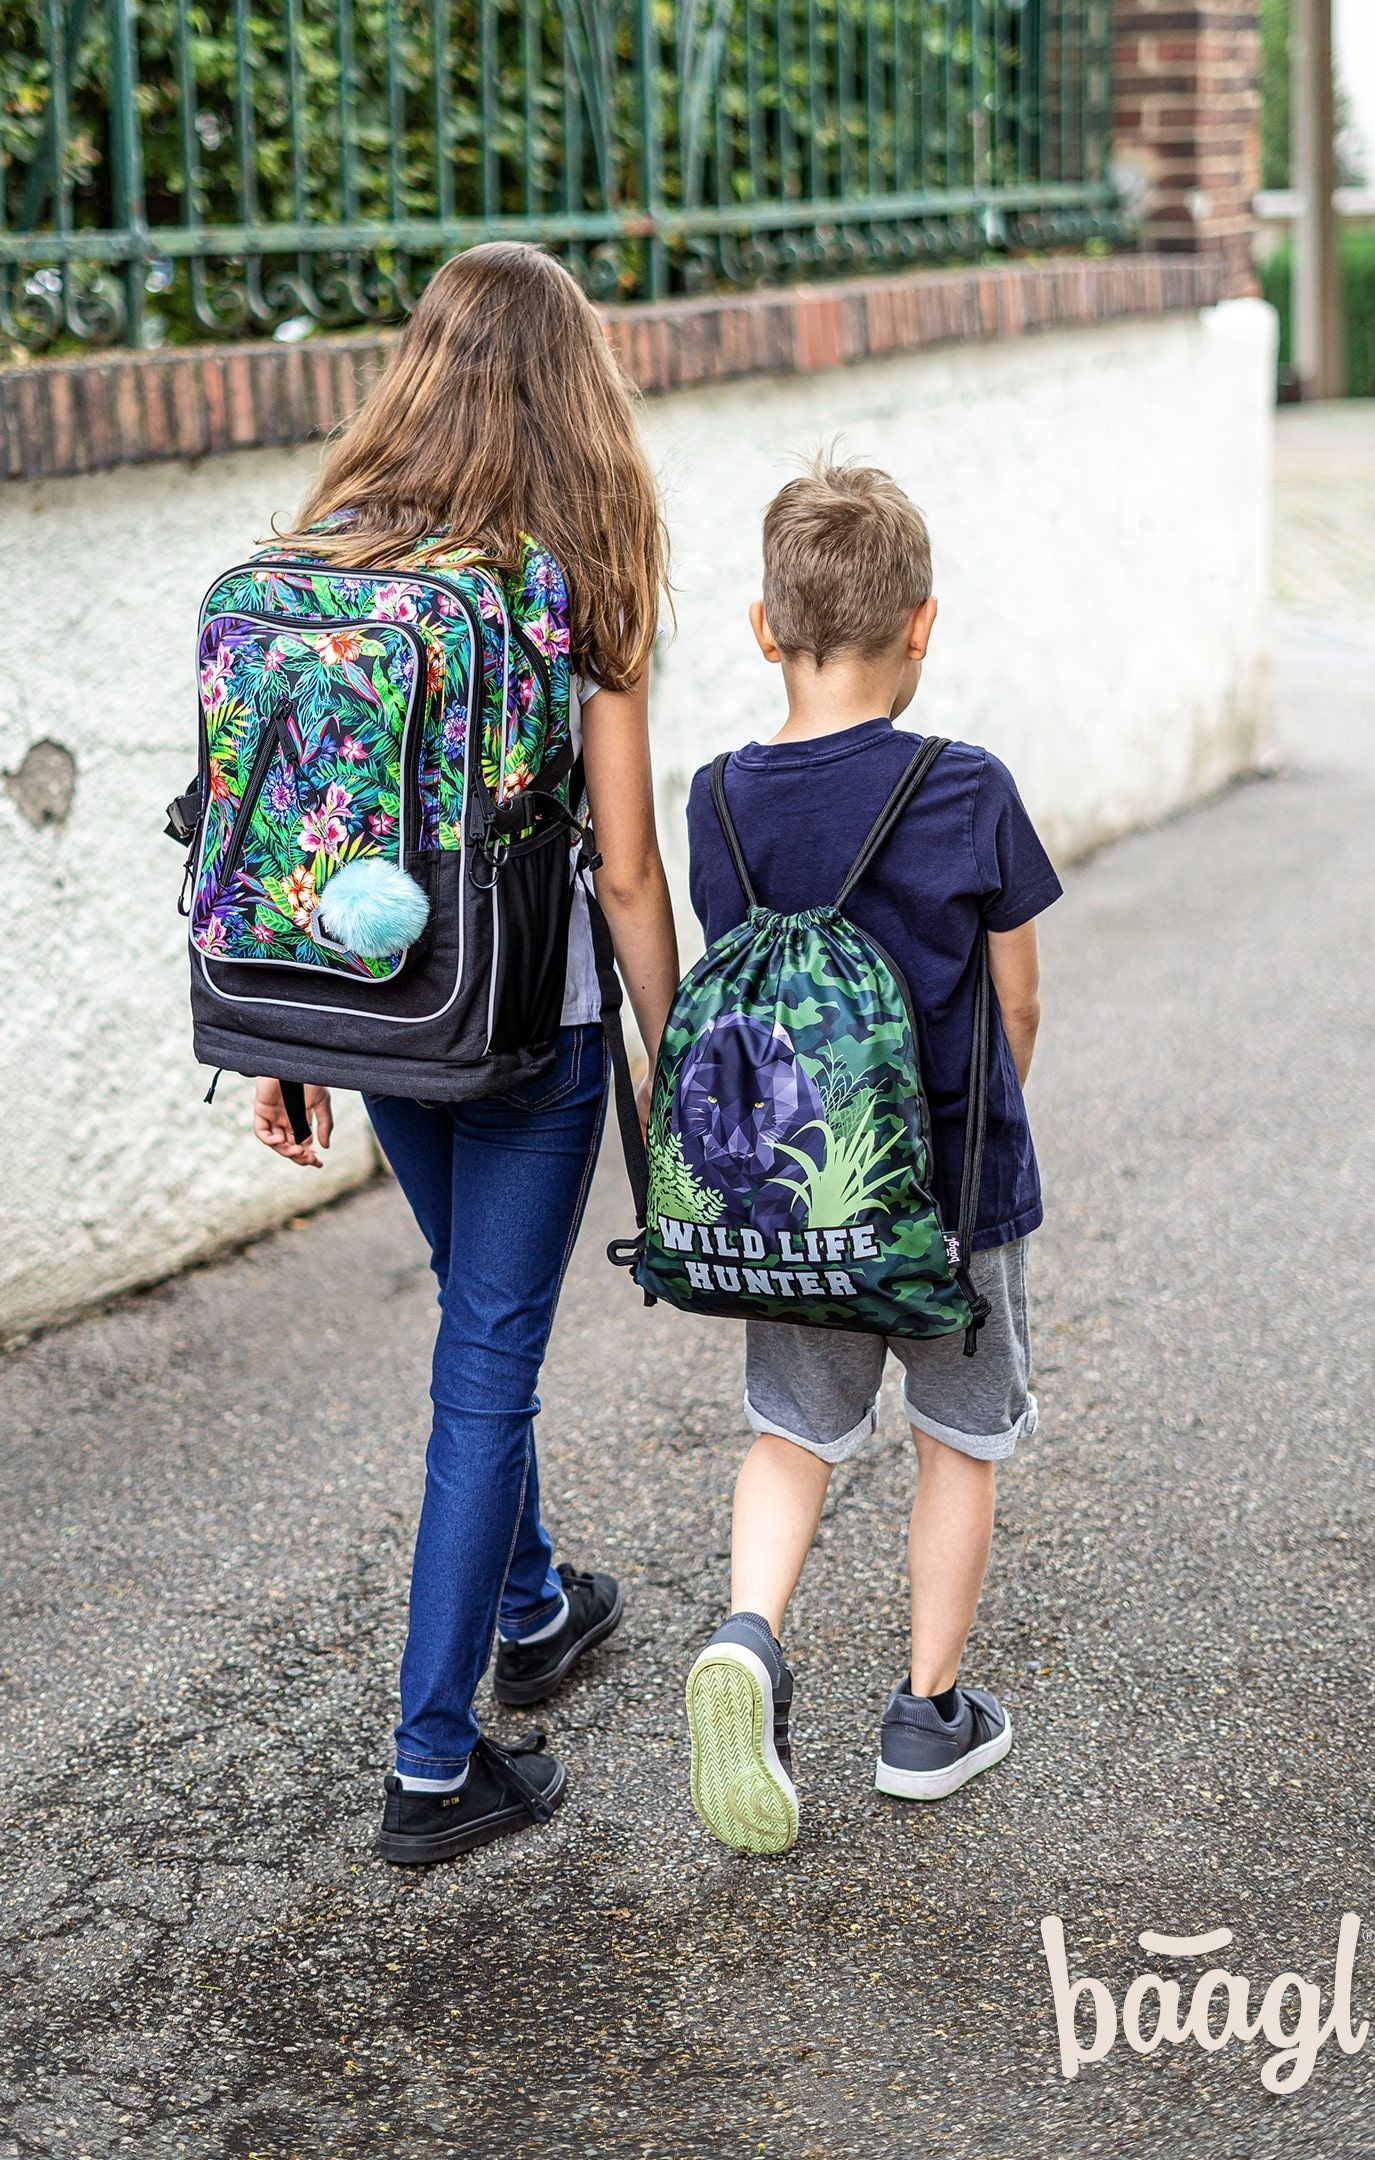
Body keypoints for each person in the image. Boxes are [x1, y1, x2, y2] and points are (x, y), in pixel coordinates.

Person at [250, 244, 679, 1863]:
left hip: (374, 1013)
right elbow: (623, 871)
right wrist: (675, 1051)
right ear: (577, 386)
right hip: (521, 1029)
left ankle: (537, 1604)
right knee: (489, 1358)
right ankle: (434, 1766)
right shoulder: (576, 569)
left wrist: (286, 1039)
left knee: (477, 1318)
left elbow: (283, 831)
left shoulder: (336, 554)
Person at [682, 461, 1062, 1854]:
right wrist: (982, 1141)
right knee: (957, 1443)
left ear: (761, 628)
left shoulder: (718, 800)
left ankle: (748, 1635)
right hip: (952, 1204)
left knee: (793, 1434)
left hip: (794, 1201)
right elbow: (1018, 1002)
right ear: (923, 626)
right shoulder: (966, 788)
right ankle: (926, 1719)